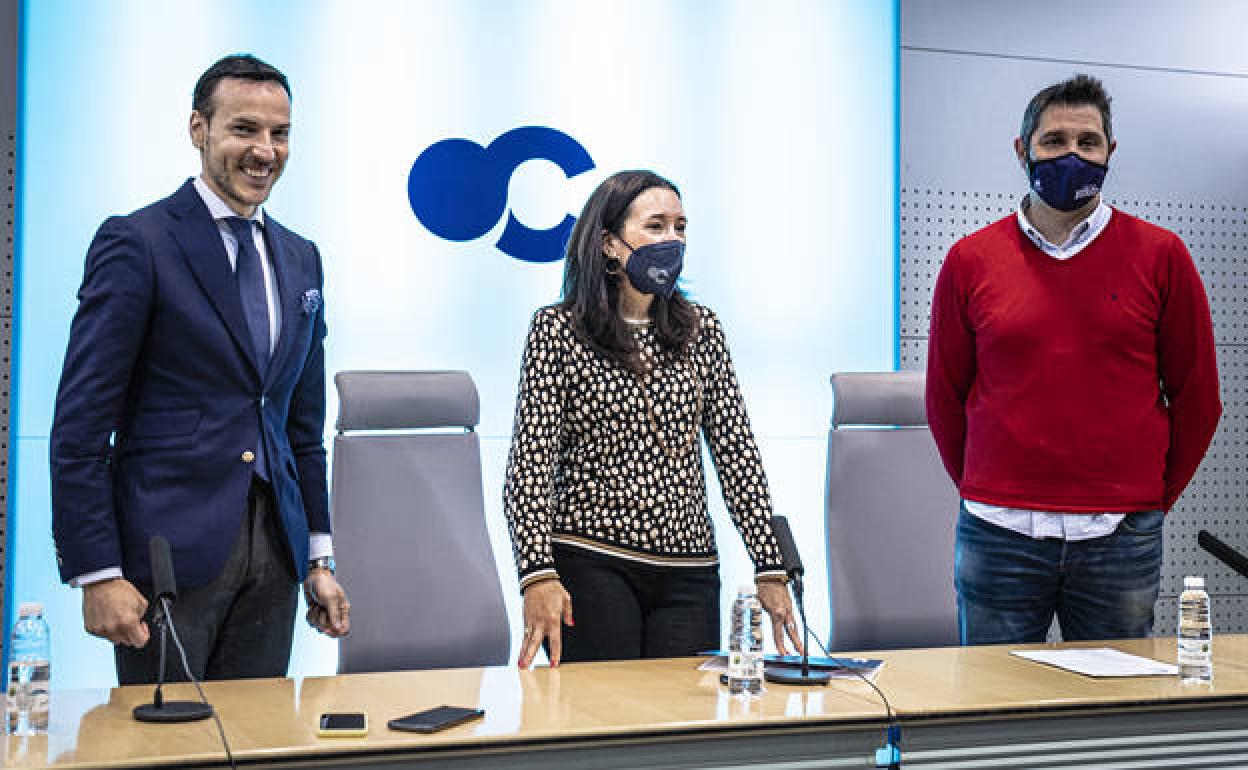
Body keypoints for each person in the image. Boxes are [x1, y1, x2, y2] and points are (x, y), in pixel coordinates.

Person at [49, 54, 350, 684]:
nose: (265, 150)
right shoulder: (137, 243)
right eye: (245, 129)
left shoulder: (302, 259)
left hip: (275, 560)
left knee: (258, 745)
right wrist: (98, 573)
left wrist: (318, 556)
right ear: (198, 130)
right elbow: (80, 427)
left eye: (280, 134)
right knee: (164, 750)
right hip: (163, 564)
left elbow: (302, 428)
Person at [925, 74, 1222, 645]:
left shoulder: (1162, 257)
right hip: (998, 531)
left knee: (1116, 716)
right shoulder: (969, 261)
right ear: (1022, 150)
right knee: (989, 714)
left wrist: (1149, 501)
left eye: (1087, 142)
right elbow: (944, 397)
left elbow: (1198, 398)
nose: (1071, 155)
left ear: (1111, 151)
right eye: (1054, 140)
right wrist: (984, 485)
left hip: (1120, 538)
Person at [504, 170, 802, 668]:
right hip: (590, 561)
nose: (673, 241)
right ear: (609, 243)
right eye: (656, 226)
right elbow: (531, 462)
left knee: (684, 728)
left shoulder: (700, 330)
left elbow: (736, 451)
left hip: (689, 570)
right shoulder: (557, 329)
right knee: (603, 725)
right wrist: (537, 572)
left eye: (680, 228)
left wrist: (769, 563)